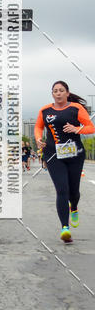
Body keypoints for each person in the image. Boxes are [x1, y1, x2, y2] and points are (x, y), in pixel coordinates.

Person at [34, 80, 94, 243]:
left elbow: (91, 127)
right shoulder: (45, 110)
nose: (58, 93)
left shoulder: (76, 108)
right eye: (55, 91)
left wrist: (77, 129)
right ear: (52, 94)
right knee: (62, 190)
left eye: (61, 90)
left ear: (67, 93)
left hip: (75, 154)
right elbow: (38, 127)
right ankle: (65, 228)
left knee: (73, 192)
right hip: (53, 154)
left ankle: (73, 207)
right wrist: (39, 139)